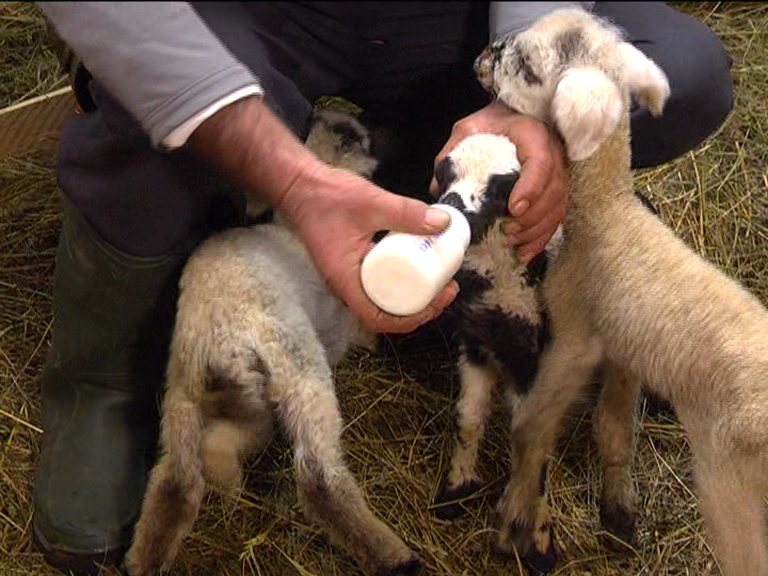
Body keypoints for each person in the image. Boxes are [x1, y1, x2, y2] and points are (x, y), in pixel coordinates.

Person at [36, 2, 733, 574]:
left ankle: (428, 187)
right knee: (148, 111)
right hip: (244, 16)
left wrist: (525, 88)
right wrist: (291, 179)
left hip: (450, 17)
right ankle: (107, 378)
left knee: (685, 72)